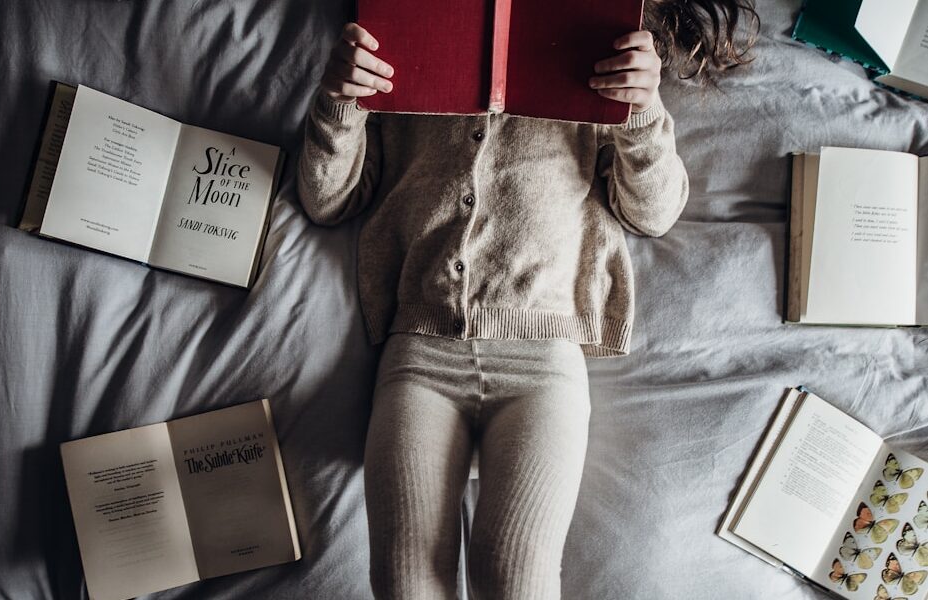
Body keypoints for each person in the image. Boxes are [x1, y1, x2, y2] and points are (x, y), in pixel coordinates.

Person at [297, 2, 758, 598]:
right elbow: (327, 199)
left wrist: (642, 111)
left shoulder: (595, 40)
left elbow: (654, 213)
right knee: (405, 584)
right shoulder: (411, 31)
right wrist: (339, 101)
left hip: (542, 363)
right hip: (421, 355)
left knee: (514, 577)